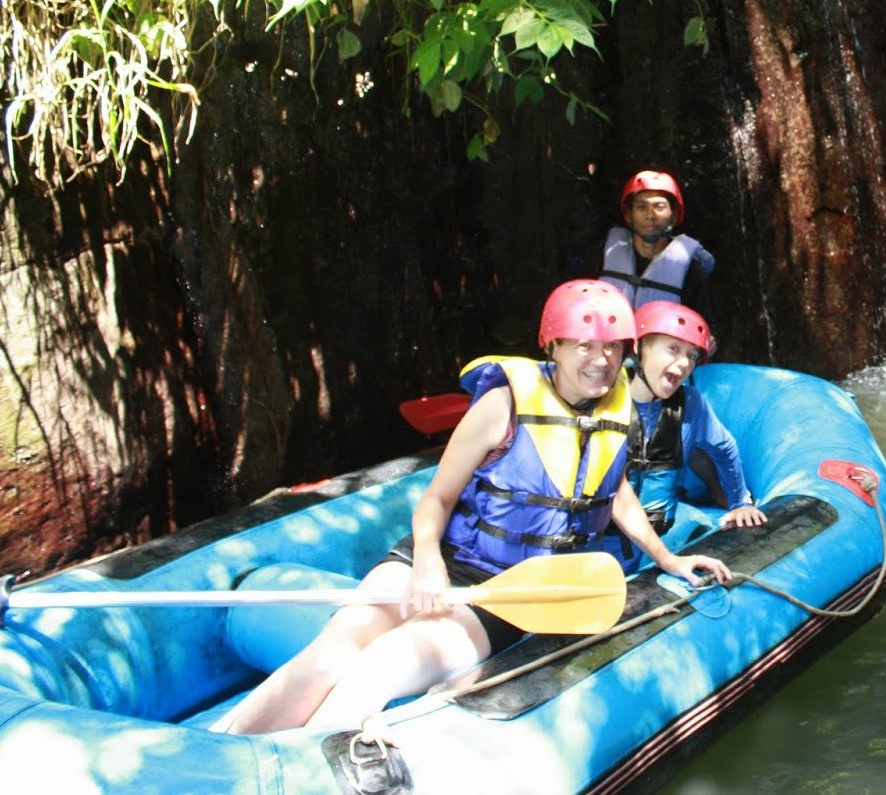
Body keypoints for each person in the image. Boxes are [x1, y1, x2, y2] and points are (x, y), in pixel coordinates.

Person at [212, 280, 730, 735]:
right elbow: (436, 499)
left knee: (381, 668)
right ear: (553, 344)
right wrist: (428, 567)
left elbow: (615, 494)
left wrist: (668, 559)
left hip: (508, 595)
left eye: (612, 348)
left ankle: (297, 773)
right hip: (438, 560)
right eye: (584, 345)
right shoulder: (501, 405)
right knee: (332, 652)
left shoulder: (617, 410)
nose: (601, 360)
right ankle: (218, 757)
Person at [602, 300, 765, 573]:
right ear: (639, 347)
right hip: (600, 545)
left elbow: (725, 448)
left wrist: (740, 502)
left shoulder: (691, 404)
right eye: (673, 349)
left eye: (691, 355)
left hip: (663, 539)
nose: (683, 364)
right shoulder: (603, 399)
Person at [598, 169, 717, 329]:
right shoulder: (602, 257)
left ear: (674, 215)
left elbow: (705, 327)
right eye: (641, 207)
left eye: (659, 207)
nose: (650, 215)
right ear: (628, 214)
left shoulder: (692, 273)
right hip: (610, 349)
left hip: (661, 351)